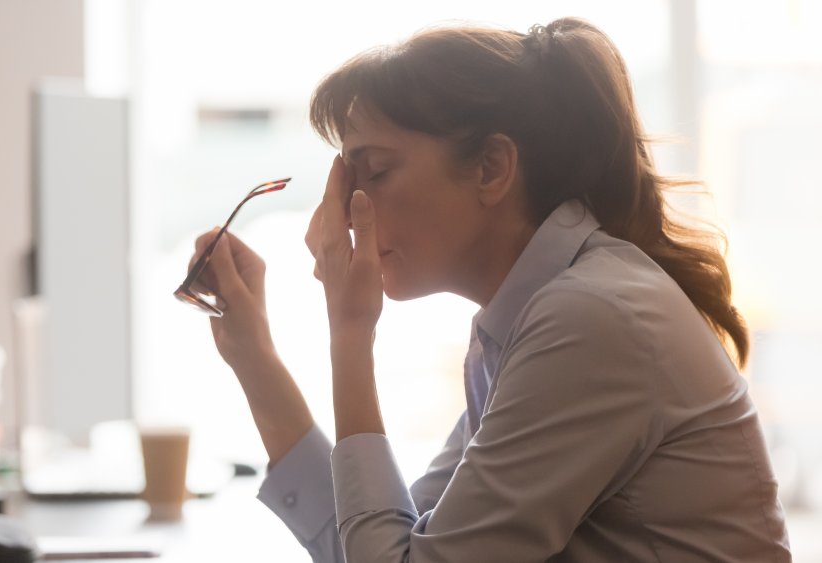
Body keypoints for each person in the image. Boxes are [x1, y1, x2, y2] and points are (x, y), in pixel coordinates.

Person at [186, 17, 791, 562]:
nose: (341, 212)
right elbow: (371, 543)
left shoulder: (589, 319)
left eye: (373, 173)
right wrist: (253, 357)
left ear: (491, 169)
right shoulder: (528, 318)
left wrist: (350, 335)